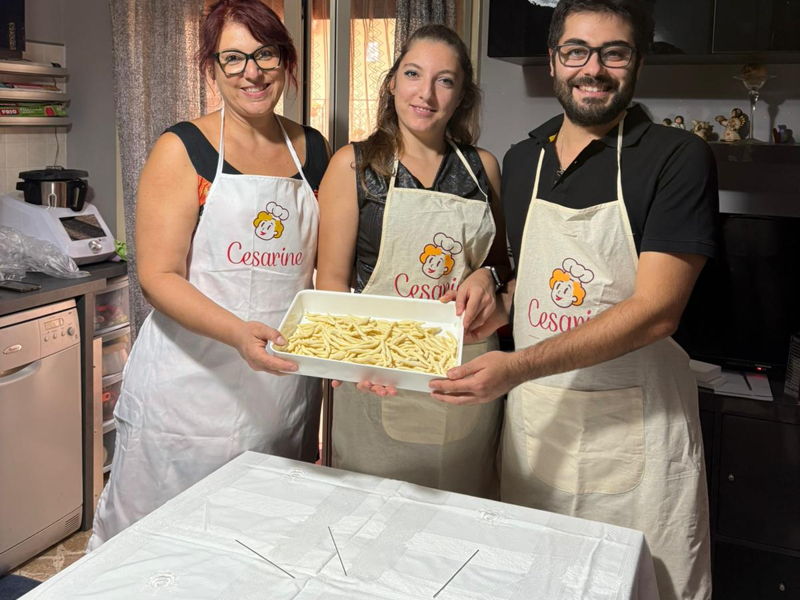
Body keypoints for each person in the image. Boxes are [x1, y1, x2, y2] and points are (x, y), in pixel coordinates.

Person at [429, 1, 716, 598]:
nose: (594, 69)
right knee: (535, 579)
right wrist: (493, 293)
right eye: (577, 51)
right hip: (541, 425)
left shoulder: (676, 157)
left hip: (638, 434)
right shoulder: (523, 159)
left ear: (637, 62)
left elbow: (657, 311)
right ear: (554, 60)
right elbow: (532, 283)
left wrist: (517, 367)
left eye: (615, 53)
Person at [89, 0, 329, 549]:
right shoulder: (183, 149)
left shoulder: (313, 151)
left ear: (286, 60)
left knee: (260, 541)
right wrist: (238, 333)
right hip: (189, 394)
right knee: (163, 546)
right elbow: (158, 275)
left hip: (278, 390)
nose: (252, 73)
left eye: (265, 55)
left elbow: (325, 267)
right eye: (233, 58)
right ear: (212, 68)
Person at [316, 24, 511, 498]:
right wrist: (353, 362)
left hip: (463, 370)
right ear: (391, 83)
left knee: (458, 510)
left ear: (461, 96)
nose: (426, 93)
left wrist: (487, 277)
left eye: (445, 81)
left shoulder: (482, 168)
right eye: (412, 74)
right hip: (377, 370)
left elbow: (499, 267)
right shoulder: (353, 165)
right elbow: (332, 282)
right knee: (369, 510)